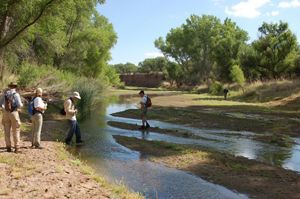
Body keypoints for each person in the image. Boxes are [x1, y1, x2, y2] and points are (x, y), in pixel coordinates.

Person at [0, 82, 23, 153]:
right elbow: (19, 105)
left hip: (5, 113)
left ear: (9, 86)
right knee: (16, 130)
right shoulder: (16, 94)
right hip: (14, 113)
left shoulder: (4, 94)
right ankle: (17, 147)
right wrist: (21, 105)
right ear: (15, 87)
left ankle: (8, 147)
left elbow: (0, 104)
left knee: (7, 131)